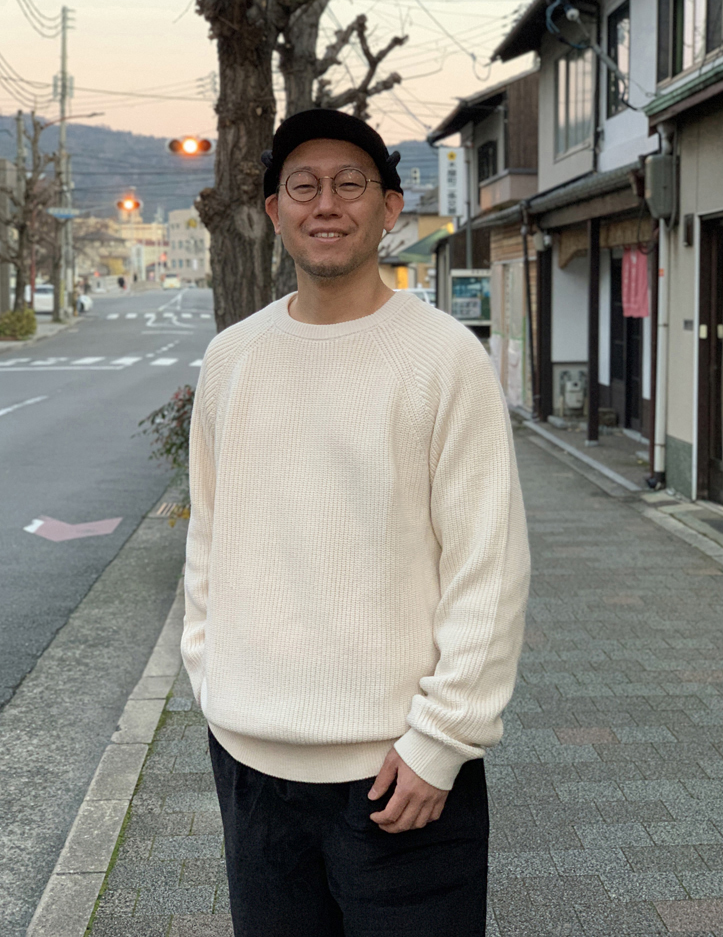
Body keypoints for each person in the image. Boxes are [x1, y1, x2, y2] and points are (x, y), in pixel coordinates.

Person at [184, 108, 530, 937]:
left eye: (350, 183)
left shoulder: (445, 357)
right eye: (303, 186)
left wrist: (441, 740)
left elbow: (488, 566)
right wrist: (212, 679)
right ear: (276, 211)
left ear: (389, 207)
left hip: (402, 772)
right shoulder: (232, 358)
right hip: (252, 765)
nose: (326, 203)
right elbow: (208, 542)